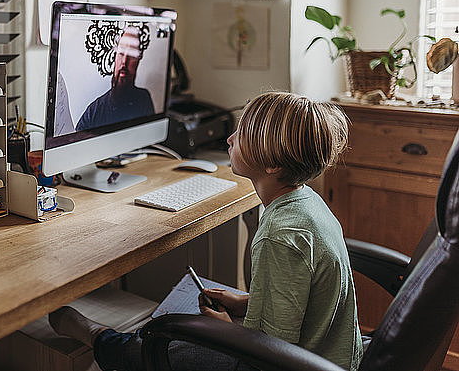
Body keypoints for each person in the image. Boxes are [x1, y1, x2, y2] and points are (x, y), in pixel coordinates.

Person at [50, 92, 363, 371]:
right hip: (329, 356)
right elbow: (297, 298)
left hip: (288, 362)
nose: (229, 139)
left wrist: (227, 330)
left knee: (158, 348)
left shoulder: (280, 236)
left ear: (272, 166)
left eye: (242, 134)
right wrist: (245, 303)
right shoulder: (306, 202)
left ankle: (99, 336)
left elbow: (268, 353)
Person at [76, 26, 154, 131]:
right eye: (121, 53)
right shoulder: (94, 112)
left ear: (138, 62)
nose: (124, 61)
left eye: (131, 55)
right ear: (115, 58)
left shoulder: (143, 99)